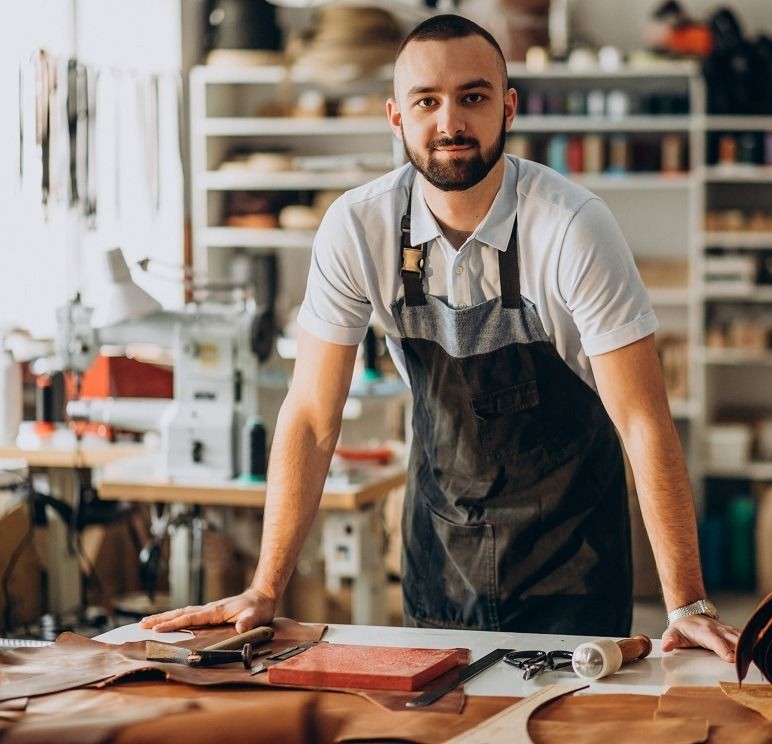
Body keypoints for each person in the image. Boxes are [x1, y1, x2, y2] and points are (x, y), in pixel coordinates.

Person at [141, 14, 739, 661]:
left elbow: (644, 419)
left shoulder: (572, 228)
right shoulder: (357, 229)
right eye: (427, 101)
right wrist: (265, 586)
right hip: (440, 551)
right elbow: (312, 415)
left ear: (508, 108)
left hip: (571, 557)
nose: (450, 123)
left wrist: (689, 603)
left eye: (473, 98)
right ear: (396, 117)